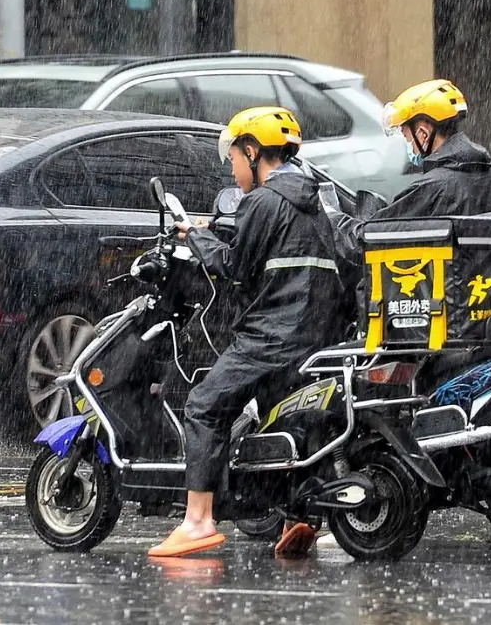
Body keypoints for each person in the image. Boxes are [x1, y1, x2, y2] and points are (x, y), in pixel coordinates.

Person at [147, 107, 350, 559]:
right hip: (313, 335)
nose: (233, 168)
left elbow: (235, 269)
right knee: (290, 422)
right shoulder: (314, 201)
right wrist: (212, 228)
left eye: (235, 158)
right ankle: (301, 518)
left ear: (254, 151)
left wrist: (193, 238)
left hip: (270, 335)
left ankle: (198, 521)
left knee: (204, 406)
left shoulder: (262, 201)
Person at [332, 80, 491, 267]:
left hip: (437, 292)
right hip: (480, 288)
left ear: (423, 134)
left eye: (406, 135)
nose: (408, 143)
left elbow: (367, 241)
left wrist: (331, 218)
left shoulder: (432, 188)